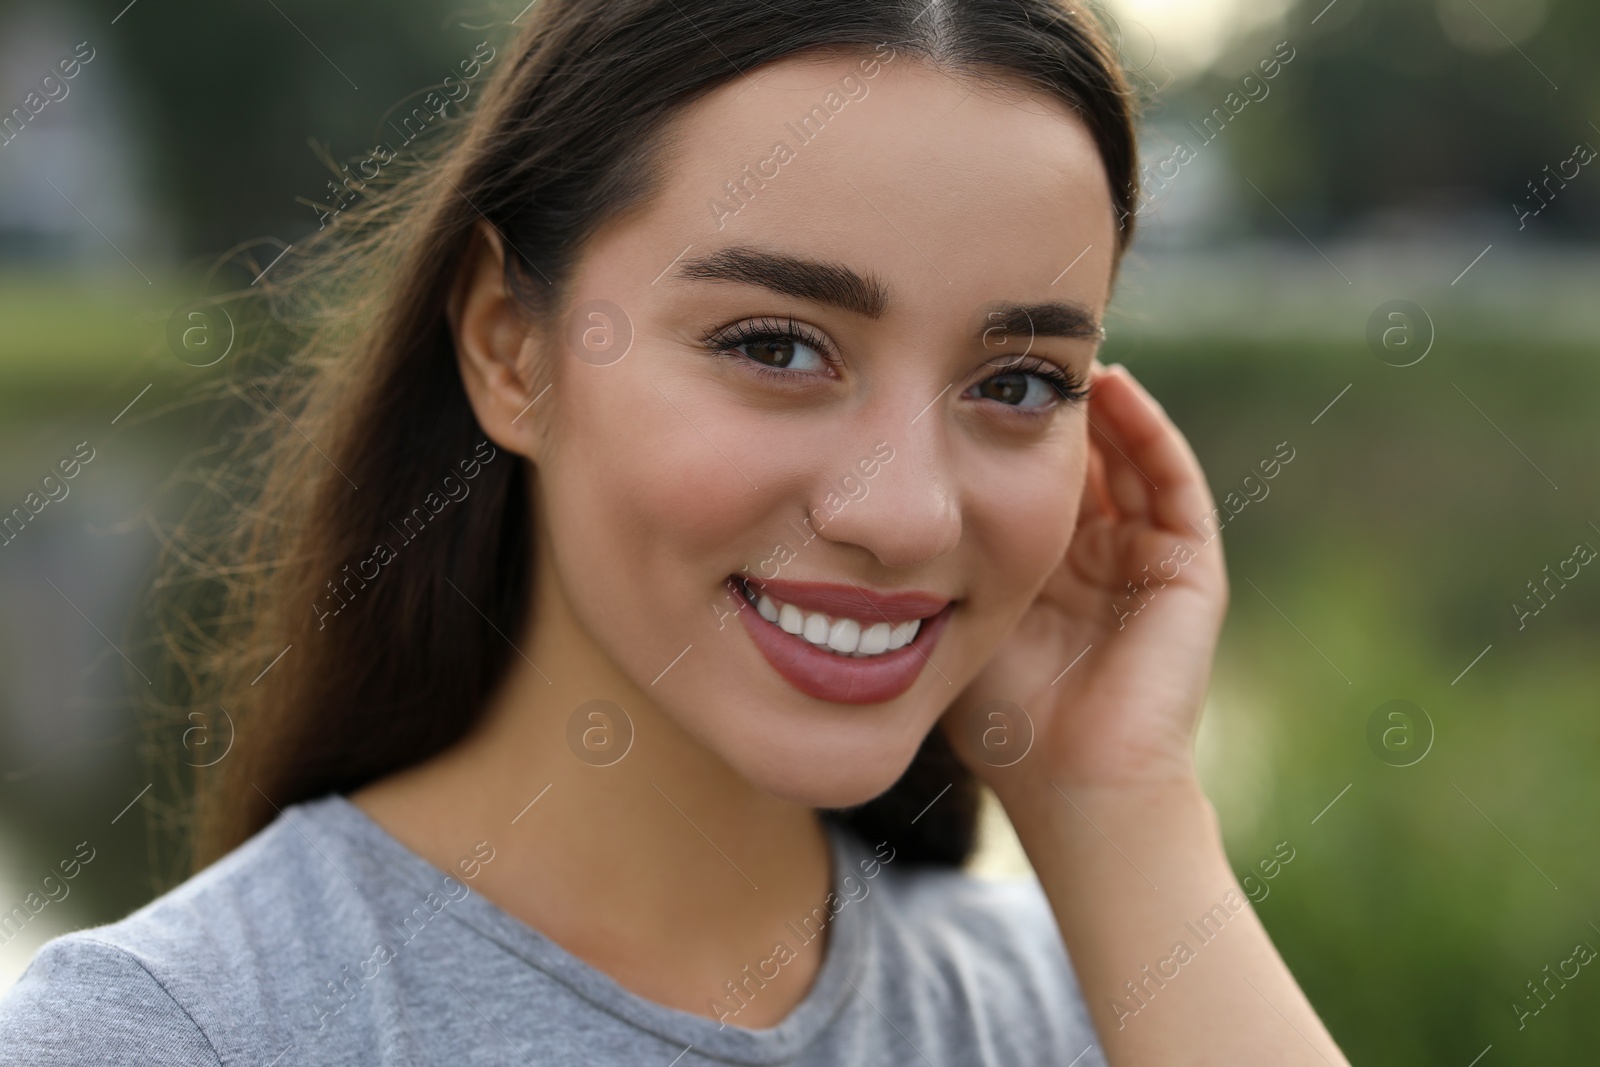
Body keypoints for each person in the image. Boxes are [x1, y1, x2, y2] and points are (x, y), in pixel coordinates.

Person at [0, 0, 1349, 1062]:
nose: (906, 512)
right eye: (776, 345)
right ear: (511, 347)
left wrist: (1122, 807)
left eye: (1016, 384)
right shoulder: (172, 1036)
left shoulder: (1102, 1009)